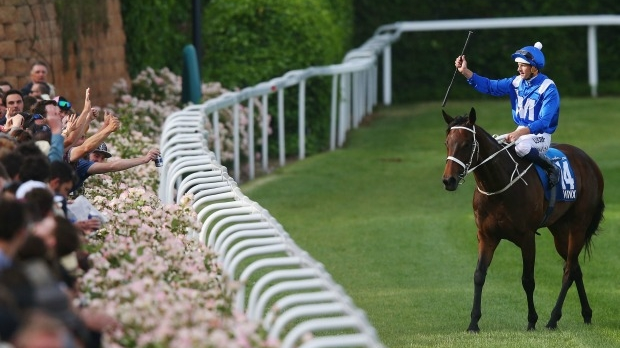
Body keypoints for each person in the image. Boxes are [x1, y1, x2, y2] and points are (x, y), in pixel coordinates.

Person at [455, 41, 560, 187]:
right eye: (518, 65)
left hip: (540, 136)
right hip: (521, 131)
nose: (519, 69)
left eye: (523, 65)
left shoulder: (548, 88)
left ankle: (551, 168)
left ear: (534, 68)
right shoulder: (516, 82)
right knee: (492, 146)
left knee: (521, 147)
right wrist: (466, 72)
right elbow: (490, 86)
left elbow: (544, 121)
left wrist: (520, 133)